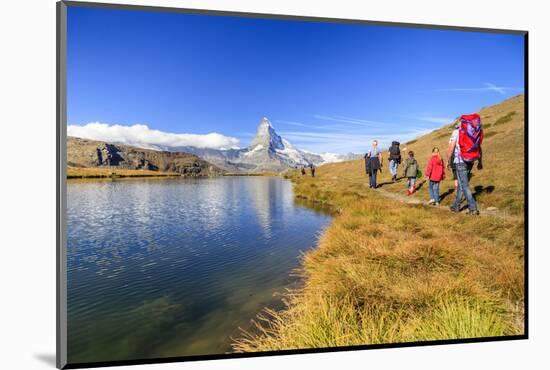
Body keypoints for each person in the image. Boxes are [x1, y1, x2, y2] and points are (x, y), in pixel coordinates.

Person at [447, 115, 483, 215]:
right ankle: (456, 206)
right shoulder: (473, 132)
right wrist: (480, 161)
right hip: (470, 161)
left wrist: (447, 160)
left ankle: (473, 208)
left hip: (460, 161)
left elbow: (451, 147)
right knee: (461, 185)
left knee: (465, 185)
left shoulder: (456, 132)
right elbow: (479, 147)